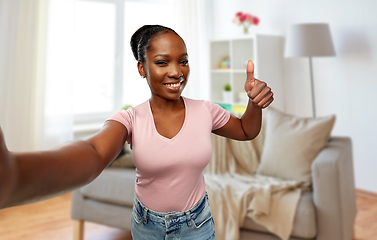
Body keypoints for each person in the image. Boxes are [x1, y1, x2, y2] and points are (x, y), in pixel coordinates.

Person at [0, 25, 273, 239]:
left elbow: (247, 130)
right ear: (142, 68)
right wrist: (15, 175)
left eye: (184, 61)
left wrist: (254, 102)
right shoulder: (130, 118)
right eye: (162, 62)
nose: (177, 72)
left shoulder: (206, 110)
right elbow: (94, 152)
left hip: (197, 223)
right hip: (147, 225)